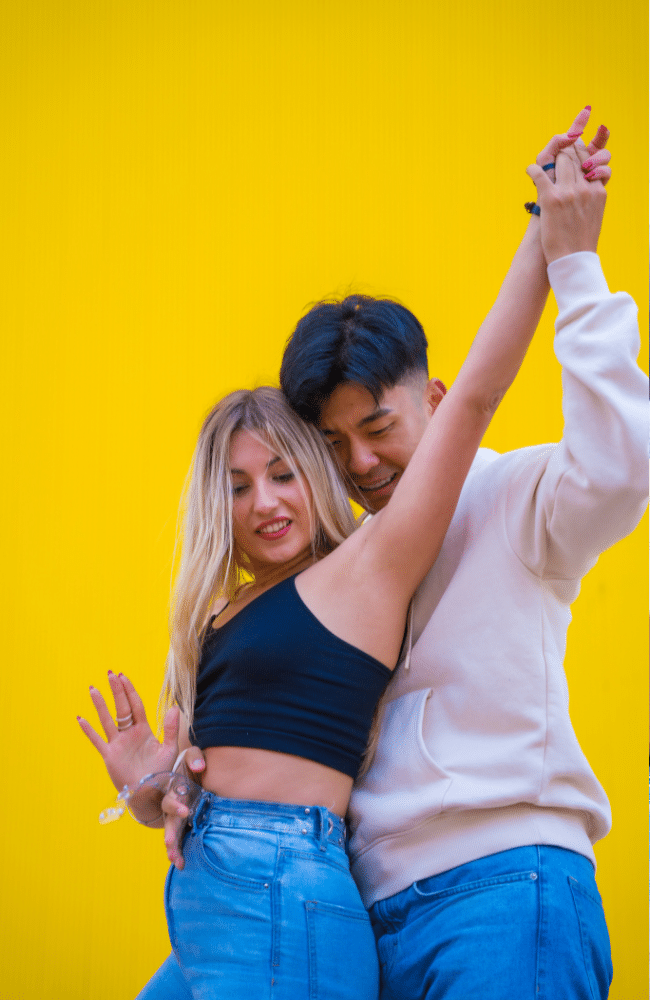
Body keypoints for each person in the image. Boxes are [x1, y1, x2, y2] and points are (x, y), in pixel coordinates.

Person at [79, 114, 625, 1000]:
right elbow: (232, 763)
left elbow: (527, 416)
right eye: (330, 447)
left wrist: (555, 241)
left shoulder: (440, 530)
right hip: (333, 903)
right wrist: (157, 789)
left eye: (376, 431)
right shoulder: (273, 595)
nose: (358, 465)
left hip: (471, 882)